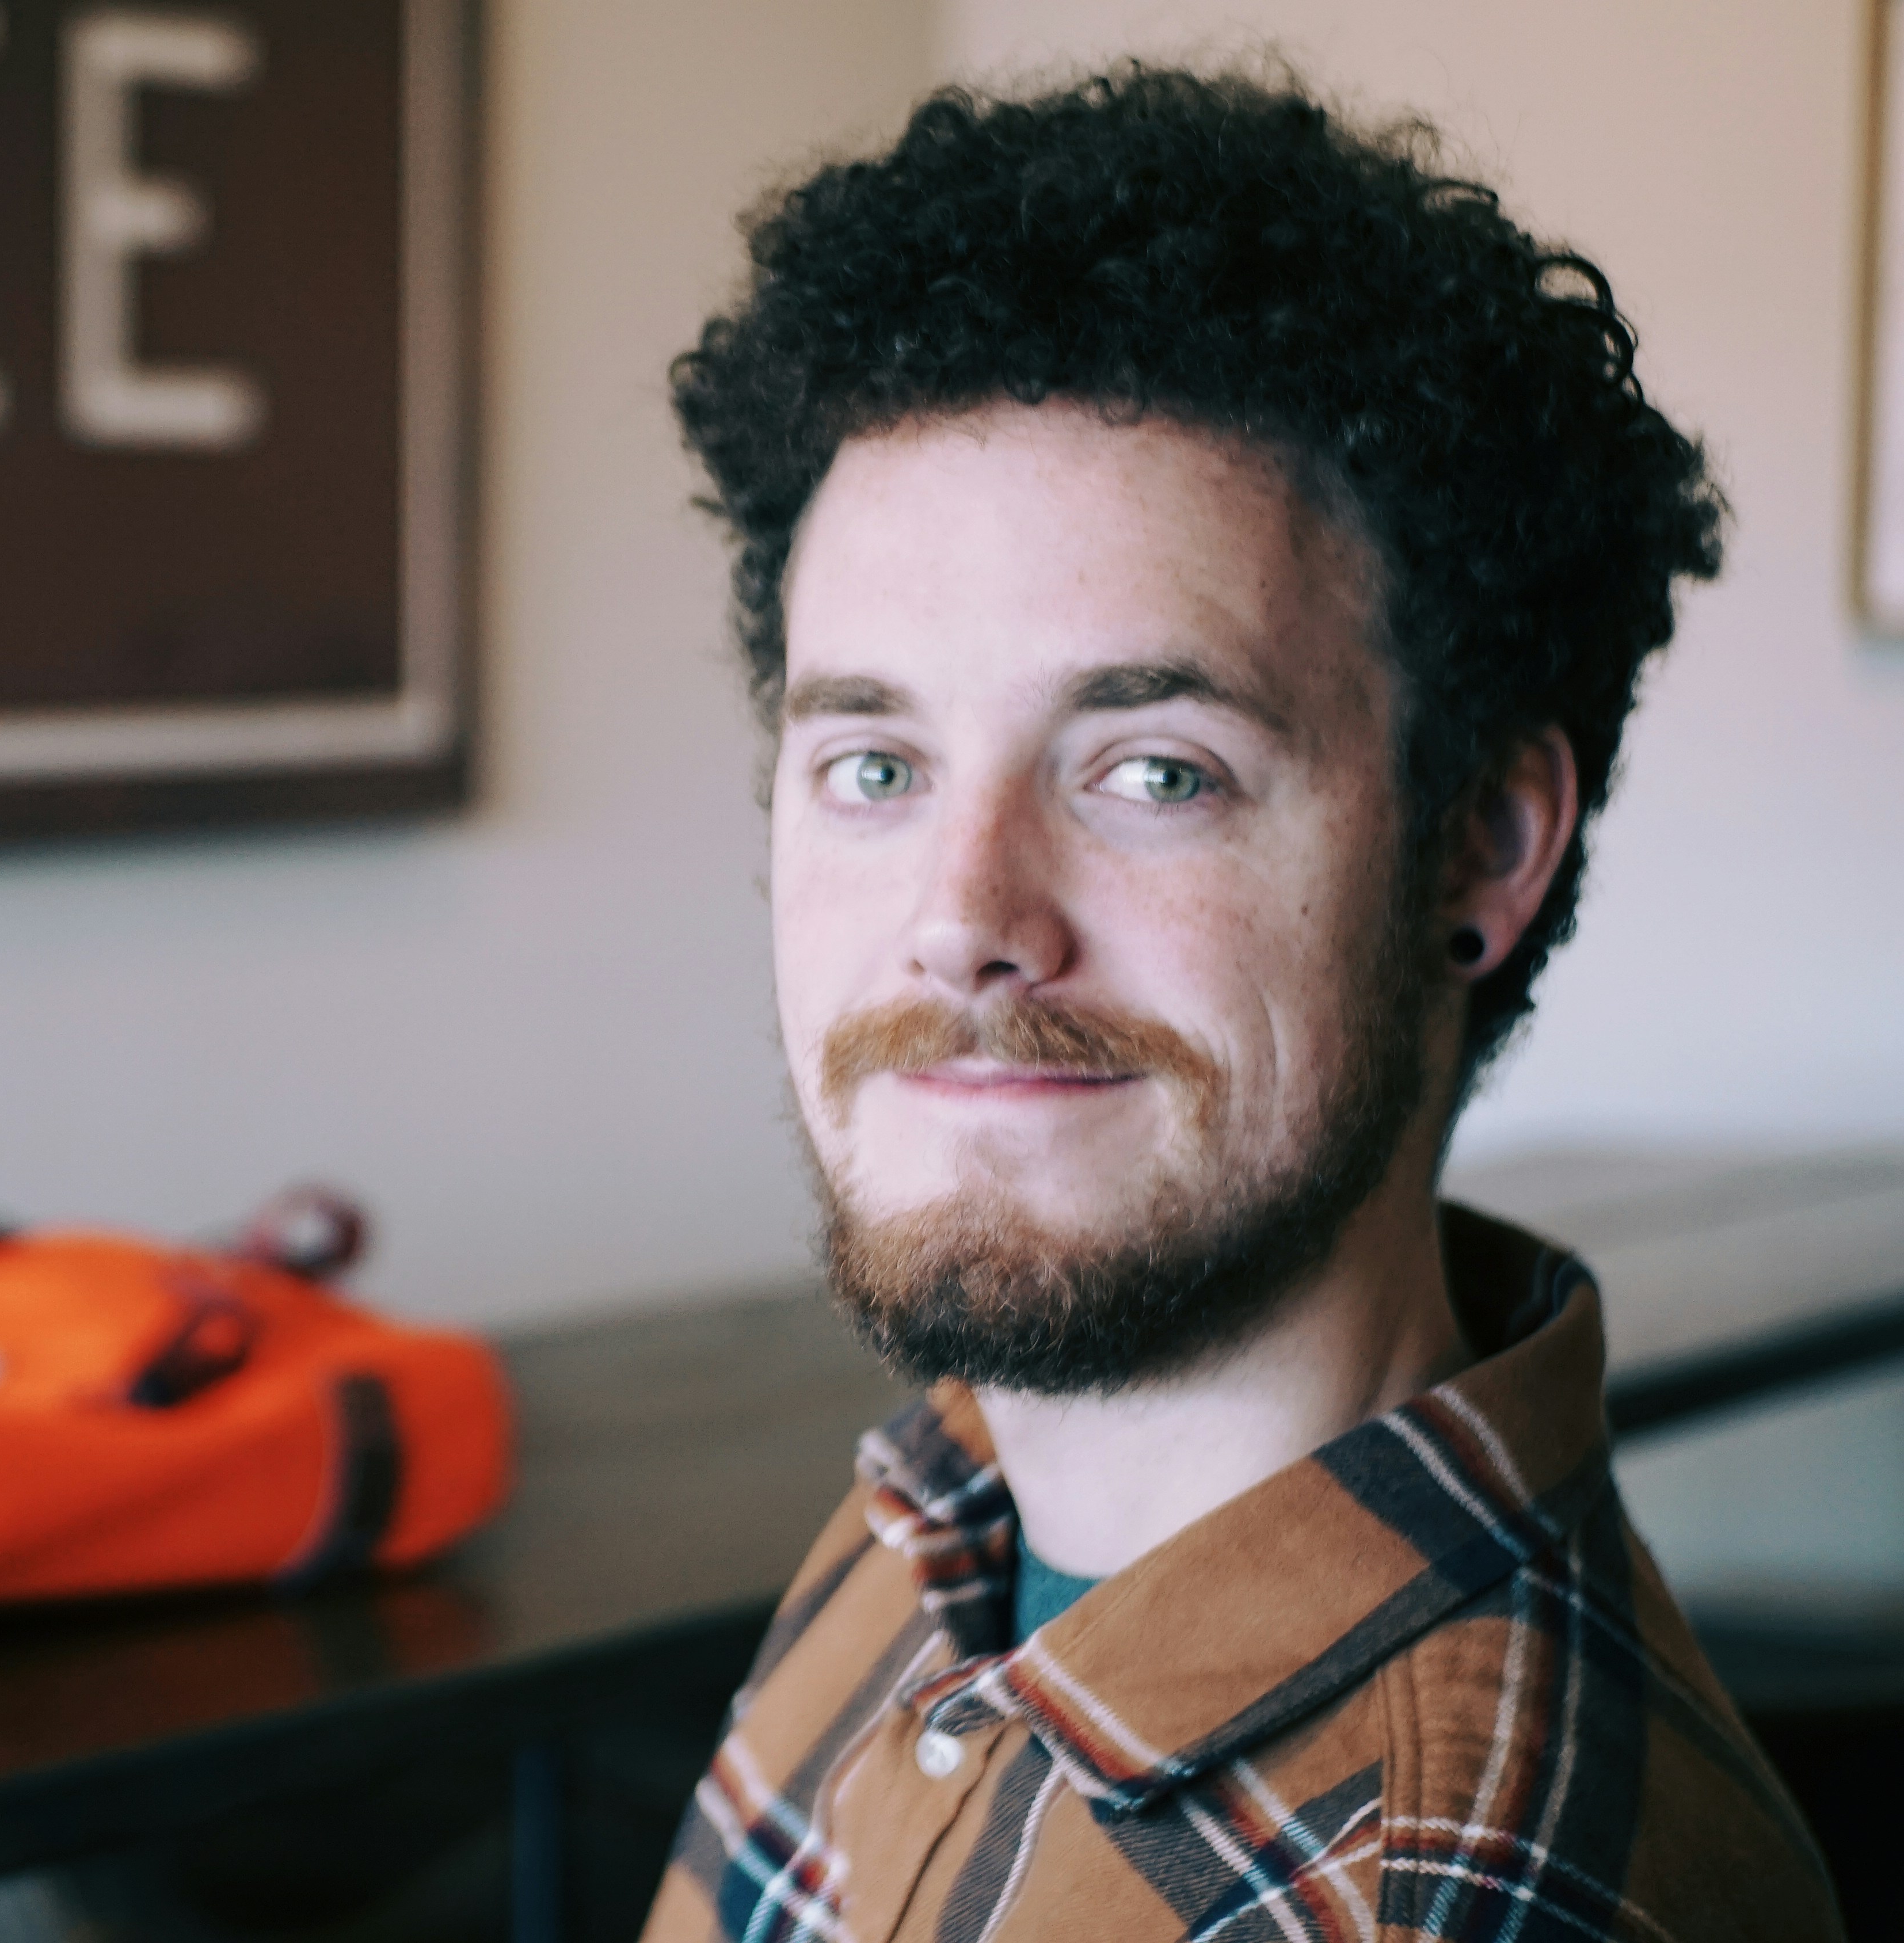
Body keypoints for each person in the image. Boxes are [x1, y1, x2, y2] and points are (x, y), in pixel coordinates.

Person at [642, 64, 1844, 1942]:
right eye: (874, 766)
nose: (962, 923)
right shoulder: (948, 1497)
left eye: (1153, 769)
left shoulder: (1454, 1901)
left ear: (1479, 845)